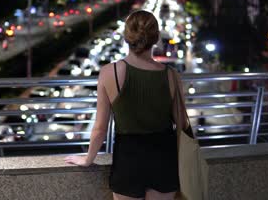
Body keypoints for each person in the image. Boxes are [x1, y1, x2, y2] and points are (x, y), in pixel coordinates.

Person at [65, 10, 189, 200]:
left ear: (127, 37)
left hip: (129, 160)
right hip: (164, 159)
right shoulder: (172, 75)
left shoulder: (109, 72)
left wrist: (87, 159)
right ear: (155, 38)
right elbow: (182, 124)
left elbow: (99, 128)